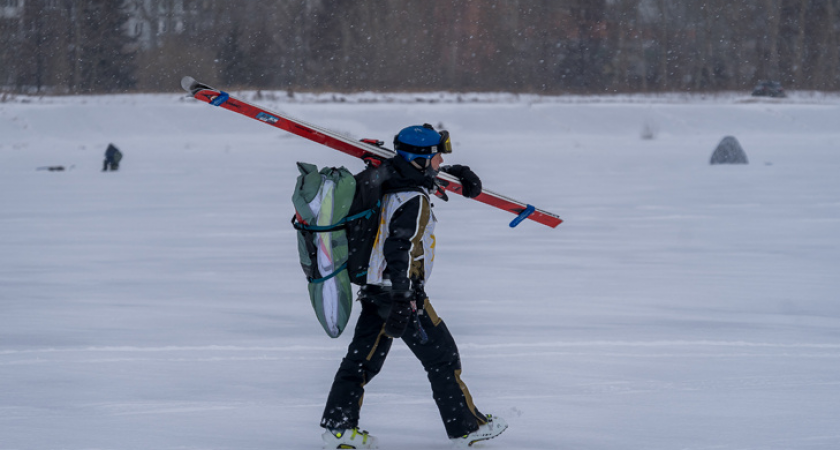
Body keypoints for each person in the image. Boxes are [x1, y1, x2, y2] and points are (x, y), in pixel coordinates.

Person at [320, 124, 508, 448]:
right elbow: (399, 248)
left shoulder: (391, 183)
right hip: (400, 293)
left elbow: (416, 180)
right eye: (437, 158)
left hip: (377, 289)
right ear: (420, 160)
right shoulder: (413, 199)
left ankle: (339, 430)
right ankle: (467, 429)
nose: (438, 164)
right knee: (443, 358)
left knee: (361, 361)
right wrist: (405, 297)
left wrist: (456, 175)